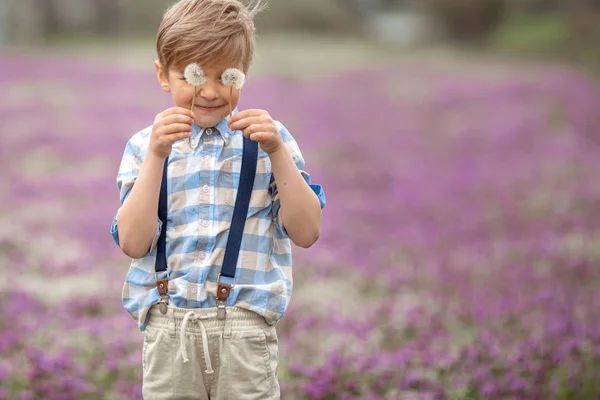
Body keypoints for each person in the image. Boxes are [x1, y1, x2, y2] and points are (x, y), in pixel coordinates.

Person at [109, 0, 326, 398]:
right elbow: (133, 243)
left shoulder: (267, 141)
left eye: (227, 76)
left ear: (243, 75)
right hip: (168, 330)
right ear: (163, 75)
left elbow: (307, 231)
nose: (210, 91)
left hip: (245, 333)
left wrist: (277, 151)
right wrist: (157, 156)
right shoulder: (144, 147)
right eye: (194, 75)